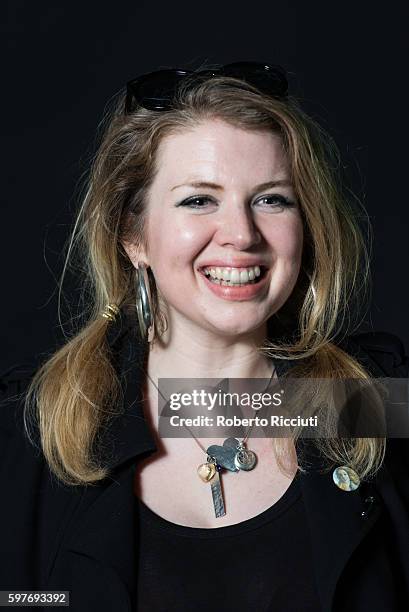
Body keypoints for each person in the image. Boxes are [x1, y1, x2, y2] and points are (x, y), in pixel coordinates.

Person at [0, 61, 408, 612]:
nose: (242, 234)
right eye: (198, 199)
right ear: (133, 236)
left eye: (272, 198)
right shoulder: (34, 429)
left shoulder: (370, 402)